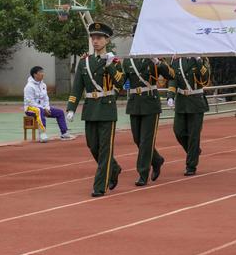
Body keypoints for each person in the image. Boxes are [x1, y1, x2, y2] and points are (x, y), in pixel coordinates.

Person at [66, 22, 125, 197]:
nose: (95, 41)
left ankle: (100, 185)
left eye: (99, 37)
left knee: (105, 149)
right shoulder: (84, 62)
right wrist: (71, 108)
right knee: (93, 146)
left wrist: (110, 66)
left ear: (107, 40)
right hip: (91, 109)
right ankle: (113, 169)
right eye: (93, 37)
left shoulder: (113, 61)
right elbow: (77, 87)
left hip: (107, 108)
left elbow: (121, 84)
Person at [122, 25, 175, 186]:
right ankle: (157, 160)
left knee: (146, 140)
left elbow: (171, 75)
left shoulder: (154, 56)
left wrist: (157, 62)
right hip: (134, 103)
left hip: (150, 102)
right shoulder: (128, 59)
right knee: (137, 139)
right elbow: (120, 81)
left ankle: (142, 172)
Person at [167, 55, 211, 175]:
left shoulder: (201, 59)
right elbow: (173, 78)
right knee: (178, 131)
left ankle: (191, 165)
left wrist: (198, 60)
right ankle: (194, 151)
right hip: (181, 101)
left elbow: (205, 78)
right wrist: (170, 96)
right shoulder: (176, 60)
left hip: (196, 100)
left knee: (193, 135)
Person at [24, 66, 73, 142]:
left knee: (59, 112)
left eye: (43, 72)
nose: (43, 74)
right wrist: (43, 109)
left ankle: (64, 133)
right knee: (39, 110)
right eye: (40, 72)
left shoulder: (43, 85)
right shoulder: (29, 86)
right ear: (35, 74)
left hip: (43, 108)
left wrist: (46, 107)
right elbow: (30, 102)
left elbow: (46, 98)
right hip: (30, 109)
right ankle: (42, 134)